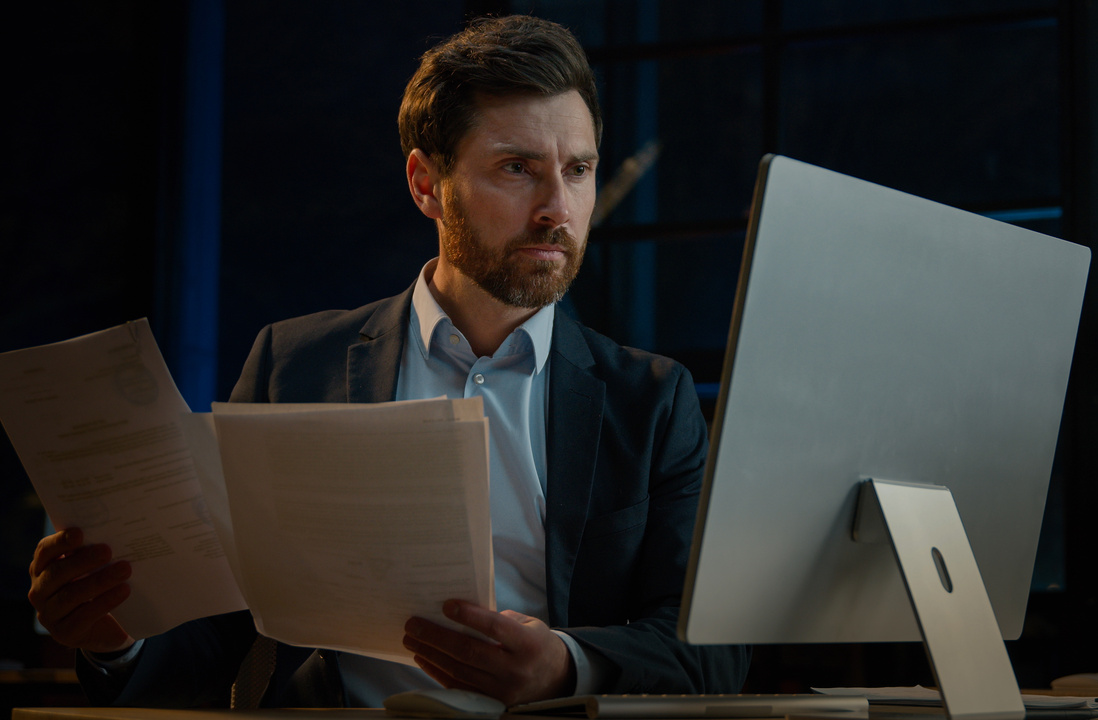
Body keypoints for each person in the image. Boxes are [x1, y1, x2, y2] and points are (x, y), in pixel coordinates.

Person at [26, 14, 749, 708]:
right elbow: (219, 641)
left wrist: (567, 665)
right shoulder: (293, 365)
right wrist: (114, 641)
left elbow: (712, 652)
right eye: (518, 168)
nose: (558, 206)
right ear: (426, 184)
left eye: (580, 168)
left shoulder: (652, 400)